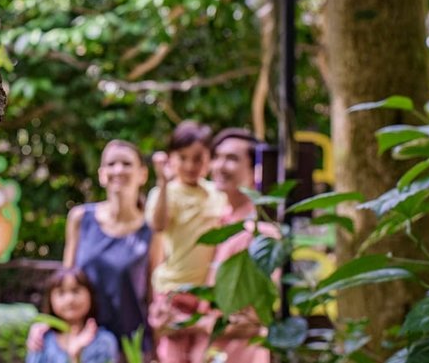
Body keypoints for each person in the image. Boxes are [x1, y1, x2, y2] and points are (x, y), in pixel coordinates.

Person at [30, 140, 154, 355]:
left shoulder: (151, 230)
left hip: (130, 345)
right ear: (101, 174)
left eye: (126, 164)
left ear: (142, 174)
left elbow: (153, 294)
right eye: (111, 164)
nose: (118, 170)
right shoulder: (80, 218)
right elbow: (65, 281)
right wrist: (46, 324)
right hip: (86, 343)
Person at [192, 128, 279, 363]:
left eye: (231, 159)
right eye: (217, 157)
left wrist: (185, 325)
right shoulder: (217, 223)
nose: (220, 166)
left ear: (255, 170)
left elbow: (252, 321)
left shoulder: (262, 236)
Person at [146, 121, 228, 363]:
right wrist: (163, 182)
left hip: (207, 293)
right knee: (172, 355)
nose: (190, 166)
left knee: (203, 354)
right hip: (173, 291)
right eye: (183, 158)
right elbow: (158, 225)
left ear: (209, 159)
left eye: (198, 158)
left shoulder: (217, 194)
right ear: (171, 158)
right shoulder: (166, 193)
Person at [26, 267, 119, 363]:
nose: (70, 300)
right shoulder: (42, 339)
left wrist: (76, 357)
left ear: (90, 295)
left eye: (76, 291)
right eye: (61, 293)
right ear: (50, 300)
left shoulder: (103, 342)